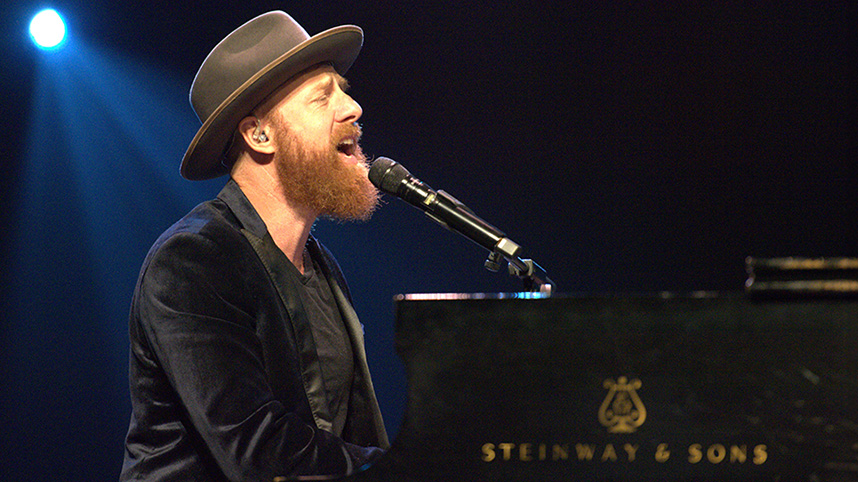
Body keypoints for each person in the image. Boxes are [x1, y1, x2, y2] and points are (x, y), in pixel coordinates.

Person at [120, 11, 389, 481]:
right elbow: (257, 448)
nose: (352, 108)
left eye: (343, 90)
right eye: (323, 97)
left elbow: (348, 431)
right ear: (258, 135)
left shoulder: (321, 266)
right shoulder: (193, 261)